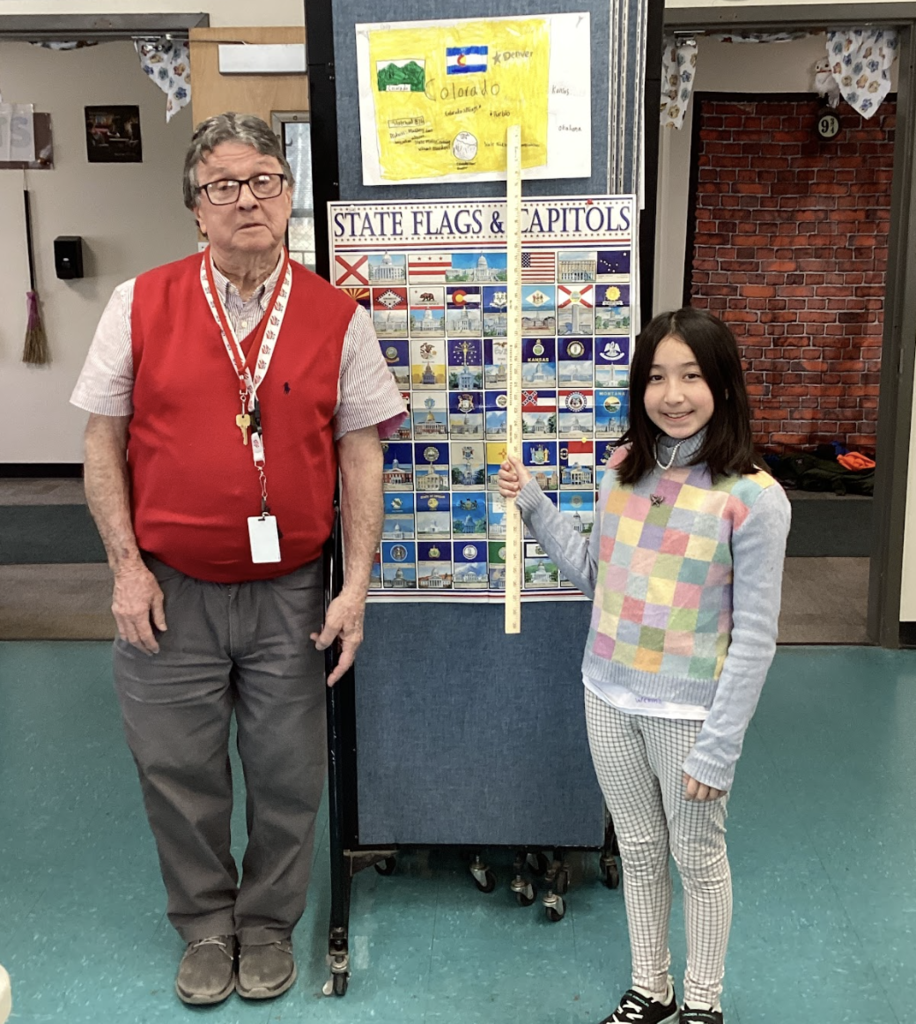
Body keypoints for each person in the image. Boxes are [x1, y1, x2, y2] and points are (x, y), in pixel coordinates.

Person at [70, 112, 405, 1006]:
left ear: (290, 197)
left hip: (292, 595)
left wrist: (357, 588)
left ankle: (267, 924)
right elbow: (102, 444)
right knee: (176, 769)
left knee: (289, 771)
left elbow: (361, 452)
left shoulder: (339, 318)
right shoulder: (139, 303)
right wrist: (124, 570)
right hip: (167, 590)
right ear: (194, 208)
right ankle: (206, 925)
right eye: (224, 185)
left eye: (264, 180)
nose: (247, 199)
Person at [498, 308, 790, 1024]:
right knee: (637, 848)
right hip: (607, 693)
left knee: (697, 858)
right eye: (657, 376)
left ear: (723, 384)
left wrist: (719, 748)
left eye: (692, 375)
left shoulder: (755, 496)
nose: (674, 394)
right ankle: (651, 989)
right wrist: (533, 504)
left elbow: (755, 638)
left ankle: (702, 1004)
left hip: (690, 716)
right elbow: (599, 577)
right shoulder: (621, 469)